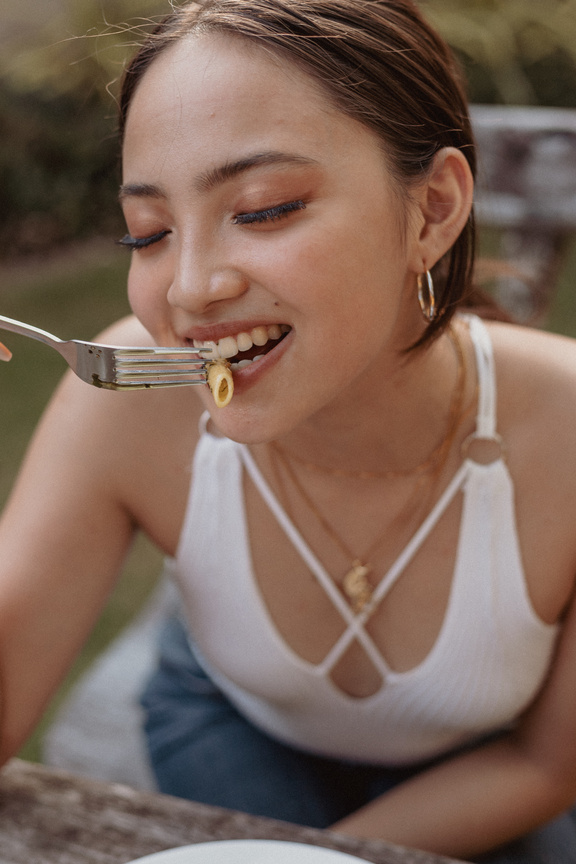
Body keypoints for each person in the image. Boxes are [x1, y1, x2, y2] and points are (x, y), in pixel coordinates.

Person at [1, 0, 576, 860]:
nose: (190, 289)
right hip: (226, 724)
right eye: (147, 232)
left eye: (264, 208)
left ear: (433, 209)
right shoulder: (126, 397)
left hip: (493, 768)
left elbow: (546, 764)